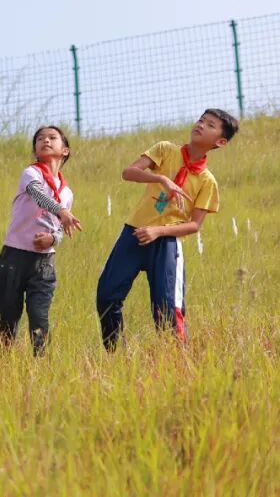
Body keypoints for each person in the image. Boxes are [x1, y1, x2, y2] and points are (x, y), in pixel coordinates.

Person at [96, 109, 238, 350]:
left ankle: (177, 361)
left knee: (167, 310)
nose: (201, 125)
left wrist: (158, 232)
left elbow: (194, 225)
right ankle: (115, 355)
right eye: (201, 120)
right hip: (133, 233)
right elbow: (128, 173)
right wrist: (161, 179)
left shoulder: (207, 181)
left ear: (220, 142)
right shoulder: (165, 150)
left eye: (210, 125)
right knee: (107, 296)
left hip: (166, 243)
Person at [0, 127, 82, 356]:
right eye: (40, 139)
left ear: (65, 150)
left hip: (44, 263)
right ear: (35, 150)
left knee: (39, 318)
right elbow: (38, 195)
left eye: (52, 138)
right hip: (14, 257)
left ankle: (39, 365)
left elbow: (60, 229)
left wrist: (53, 238)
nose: (45, 141)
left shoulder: (67, 193)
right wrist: (62, 211)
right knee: (7, 320)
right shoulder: (31, 174)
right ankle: (2, 367)